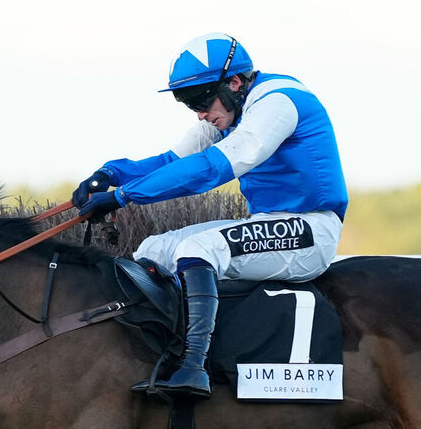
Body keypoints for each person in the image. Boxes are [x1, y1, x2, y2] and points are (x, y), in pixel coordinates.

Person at [72, 32, 348, 398]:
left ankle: (193, 369)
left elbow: (212, 169)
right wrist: (112, 174)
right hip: (268, 224)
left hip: (312, 230)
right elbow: (173, 161)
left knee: (200, 249)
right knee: (153, 250)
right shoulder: (231, 109)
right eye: (190, 104)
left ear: (234, 83)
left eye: (202, 100)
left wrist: (123, 197)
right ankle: (154, 357)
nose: (201, 113)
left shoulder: (277, 103)